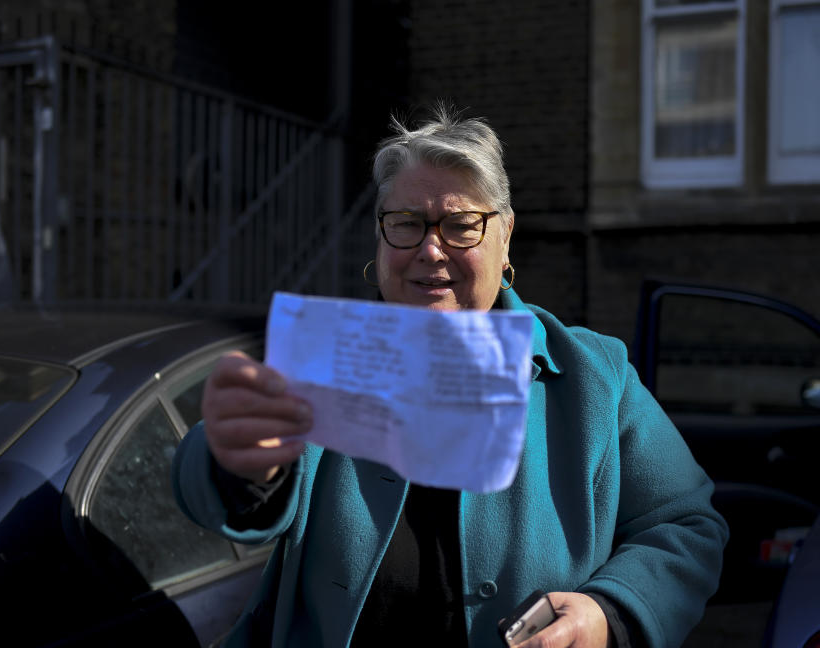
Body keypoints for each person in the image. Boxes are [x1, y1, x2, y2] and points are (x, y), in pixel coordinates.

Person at [172, 105, 728, 648]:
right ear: (380, 235)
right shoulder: (330, 358)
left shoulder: (595, 376)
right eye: (407, 224)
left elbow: (685, 525)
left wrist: (609, 613)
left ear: (505, 237)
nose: (430, 250)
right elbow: (208, 491)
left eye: (462, 226)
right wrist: (238, 459)